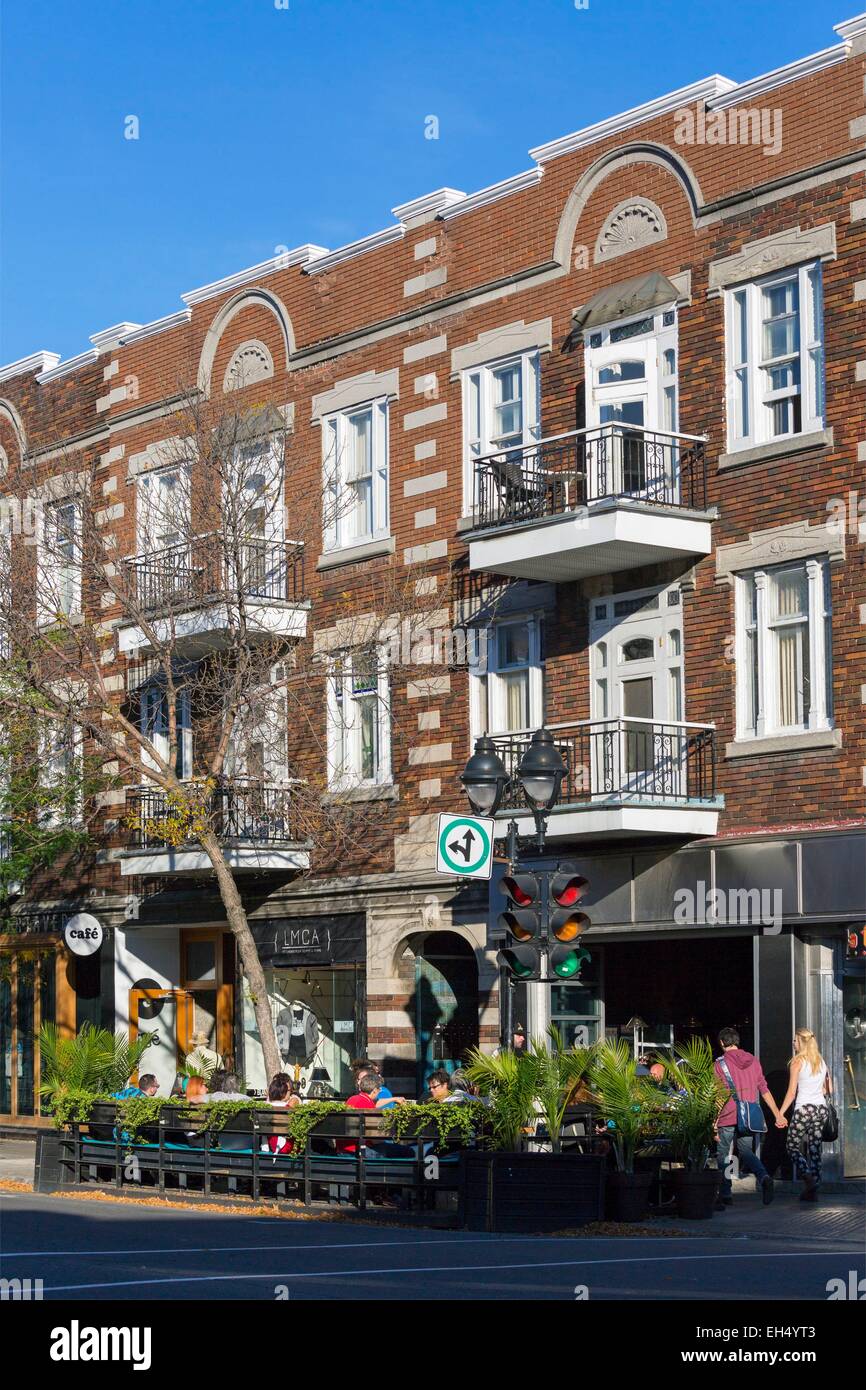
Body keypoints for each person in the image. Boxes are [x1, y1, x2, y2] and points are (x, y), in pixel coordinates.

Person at [713, 1027, 785, 1209]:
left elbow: (719, 1095)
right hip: (749, 1115)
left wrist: (714, 1121)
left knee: (723, 1154)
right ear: (737, 1042)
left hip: (727, 1114)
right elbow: (764, 1089)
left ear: (722, 1043)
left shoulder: (719, 1064)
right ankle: (764, 1177)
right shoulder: (754, 1061)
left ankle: (726, 1193)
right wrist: (777, 1114)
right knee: (746, 1151)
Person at [778, 1028, 832, 1201]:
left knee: (792, 1147)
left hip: (804, 1109)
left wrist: (780, 1113)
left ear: (801, 1042)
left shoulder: (797, 1062)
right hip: (820, 1109)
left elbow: (792, 1092)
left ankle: (808, 1178)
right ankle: (813, 1191)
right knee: (815, 1149)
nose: (793, 1043)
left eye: (795, 1040)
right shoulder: (821, 1061)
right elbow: (829, 1089)